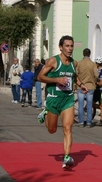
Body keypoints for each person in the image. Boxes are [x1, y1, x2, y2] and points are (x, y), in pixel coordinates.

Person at [37, 35, 88, 169]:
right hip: (54, 99)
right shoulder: (53, 61)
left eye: (71, 46)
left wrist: (81, 84)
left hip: (68, 99)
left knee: (67, 128)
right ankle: (46, 112)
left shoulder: (74, 63)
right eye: (67, 46)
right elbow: (40, 77)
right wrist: (56, 80)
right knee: (52, 130)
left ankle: (66, 156)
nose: (70, 49)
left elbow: (74, 76)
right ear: (61, 47)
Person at [76, 48, 99, 127]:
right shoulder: (93, 64)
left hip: (80, 86)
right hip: (90, 86)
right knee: (89, 105)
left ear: (83, 54)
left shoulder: (79, 63)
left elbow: (75, 75)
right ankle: (89, 122)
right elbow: (96, 75)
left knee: (80, 105)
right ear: (90, 54)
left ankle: (81, 122)